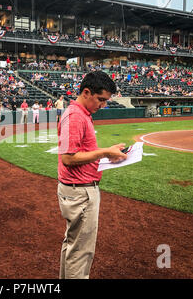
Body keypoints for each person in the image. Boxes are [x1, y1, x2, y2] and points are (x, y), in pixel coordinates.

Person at [57, 71, 127, 279]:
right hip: (81, 192)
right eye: (101, 99)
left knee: (73, 246)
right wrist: (105, 152)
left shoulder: (80, 113)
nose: (103, 105)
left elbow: (81, 153)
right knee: (80, 252)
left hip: (78, 190)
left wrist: (106, 154)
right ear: (86, 92)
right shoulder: (76, 115)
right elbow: (68, 158)